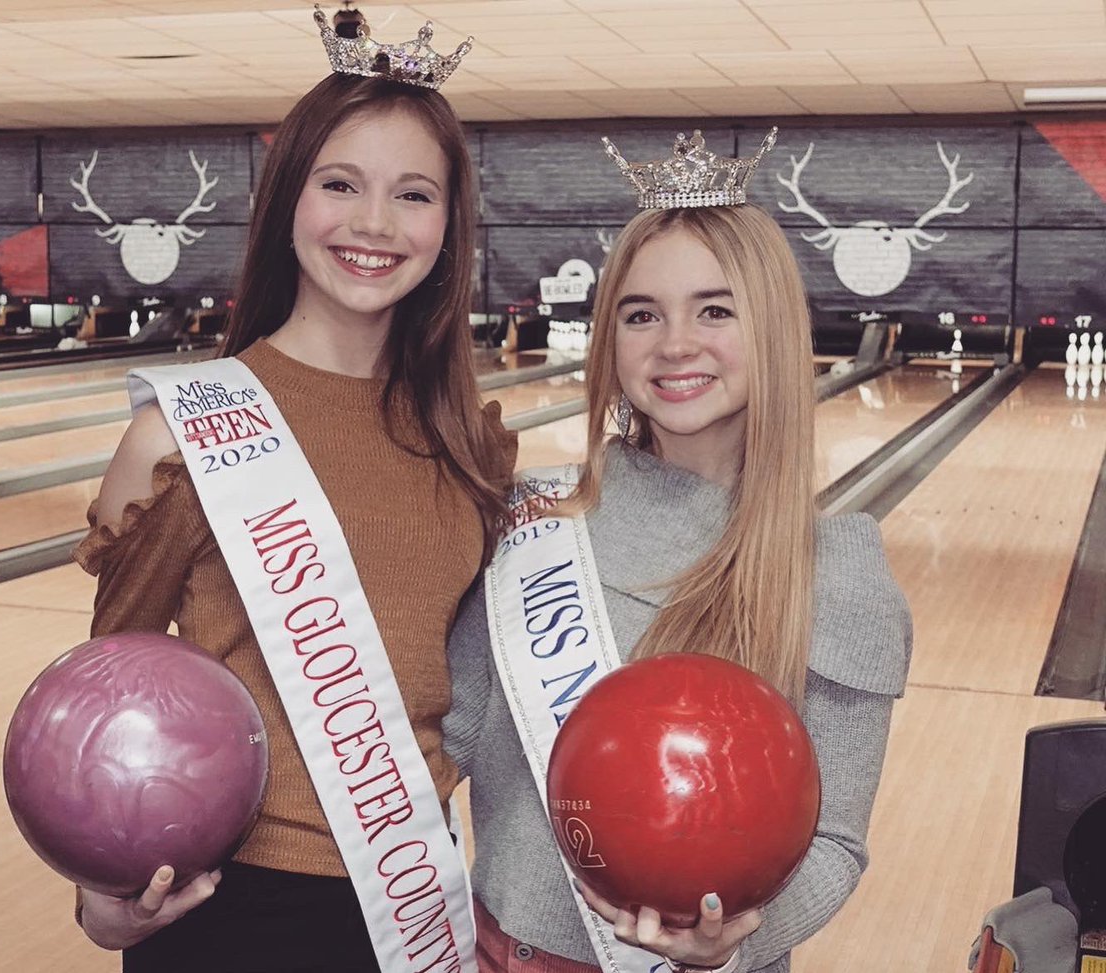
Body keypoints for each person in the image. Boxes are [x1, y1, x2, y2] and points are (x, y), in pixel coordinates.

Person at [71, 9, 514, 972]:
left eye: (413, 194)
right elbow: (107, 693)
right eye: (340, 184)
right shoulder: (180, 434)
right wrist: (100, 898)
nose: (374, 224)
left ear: (449, 224)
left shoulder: (471, 445)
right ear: (288, 199)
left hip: (415, 899)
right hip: (228, 905)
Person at [443, 129, 913, 973]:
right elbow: (453, 738)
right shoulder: (536, 517)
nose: (674, 344)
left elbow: (836, 841)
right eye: (641, 314)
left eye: (715, 310)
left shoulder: (835, 572)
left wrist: (727, 943)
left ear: (773, 328)